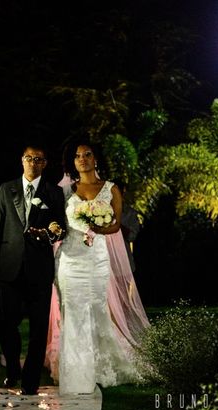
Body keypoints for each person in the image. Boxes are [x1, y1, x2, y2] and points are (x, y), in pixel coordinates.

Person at [54, 138, 139, 395]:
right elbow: (57, 222)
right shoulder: (65, 191)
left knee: (97, 308)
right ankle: (76, 372)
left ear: (95, 158)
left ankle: (102, 367)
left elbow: (115, 223)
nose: (82, 159)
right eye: (78, 155)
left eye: (87, 154)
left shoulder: (110, 188)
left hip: (97, 257)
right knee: (72, 311)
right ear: (74, 161)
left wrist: (99, 227)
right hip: (70, 258)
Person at [0, 144, 65, 395]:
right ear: (22, 160)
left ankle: (30, 381)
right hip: (9, 267)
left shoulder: (53, 193)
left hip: (39, 269)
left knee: (39, 327)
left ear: (44, 164)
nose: (33, 162)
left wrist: (51, 232)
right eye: (29, 158)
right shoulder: (5, 189)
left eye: (38, 159)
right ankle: (12, 368)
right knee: (5, 322)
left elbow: (59, 225)